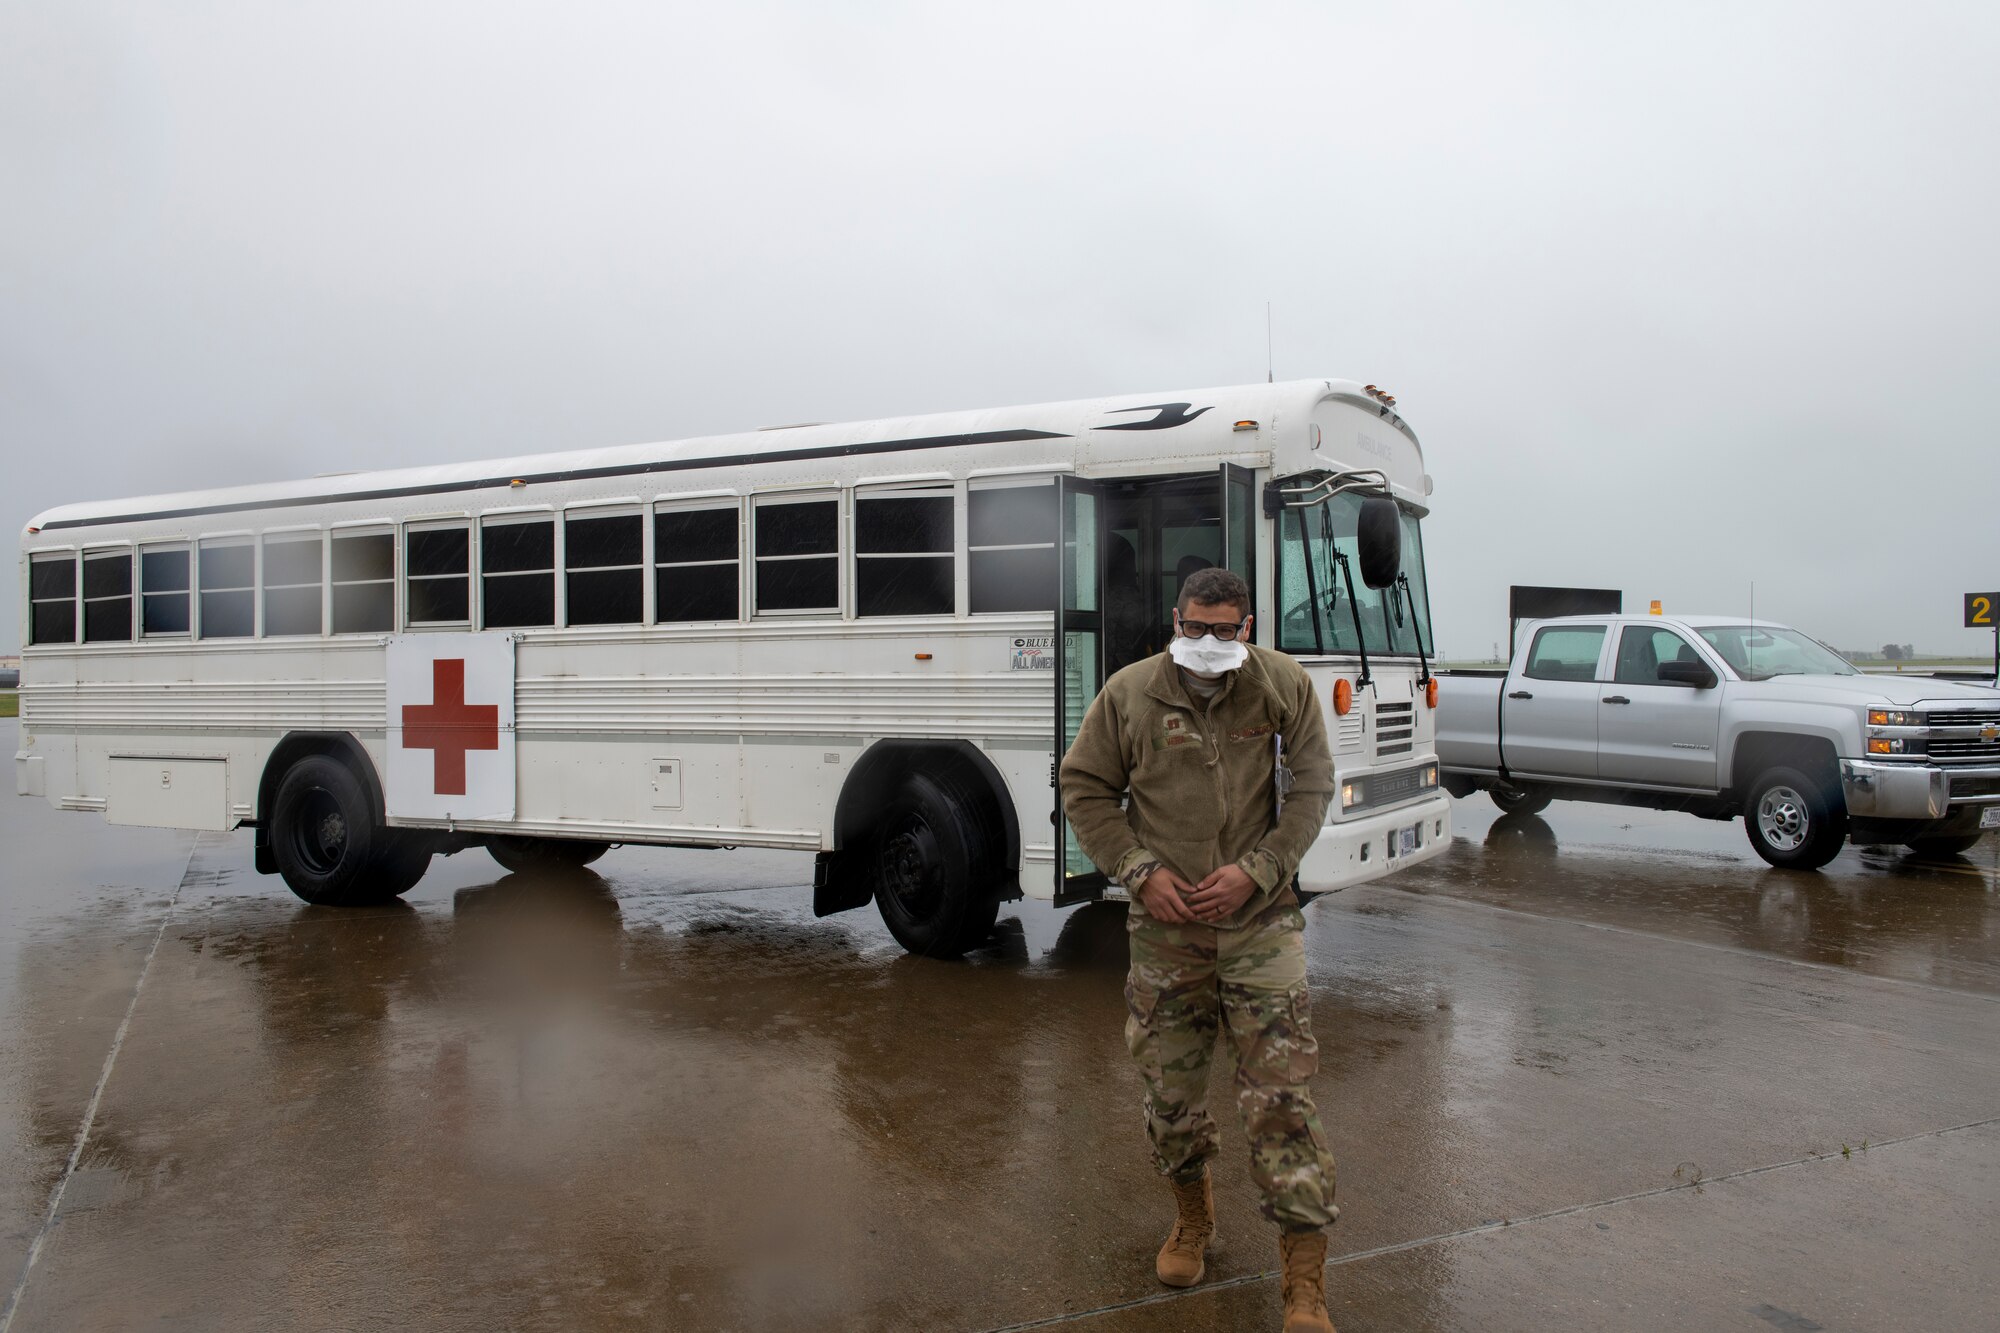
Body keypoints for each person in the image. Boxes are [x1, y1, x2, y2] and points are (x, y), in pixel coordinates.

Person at [1058, 566, 1339, 1333]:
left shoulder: (1281, 684)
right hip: (1166, 931)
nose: (1208, 643)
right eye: (1195, 627)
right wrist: (1138, 872)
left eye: (1224, 630)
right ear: (1173, 619)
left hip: (1260, 924)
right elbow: (1083, 786)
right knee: (1171, 1098)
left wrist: (1259, 870)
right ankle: (1192, 1218)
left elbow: (1313, 786)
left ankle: (1304, 1281)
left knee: (1282, 1101)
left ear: (1245, 628)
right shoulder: (1130, 693)